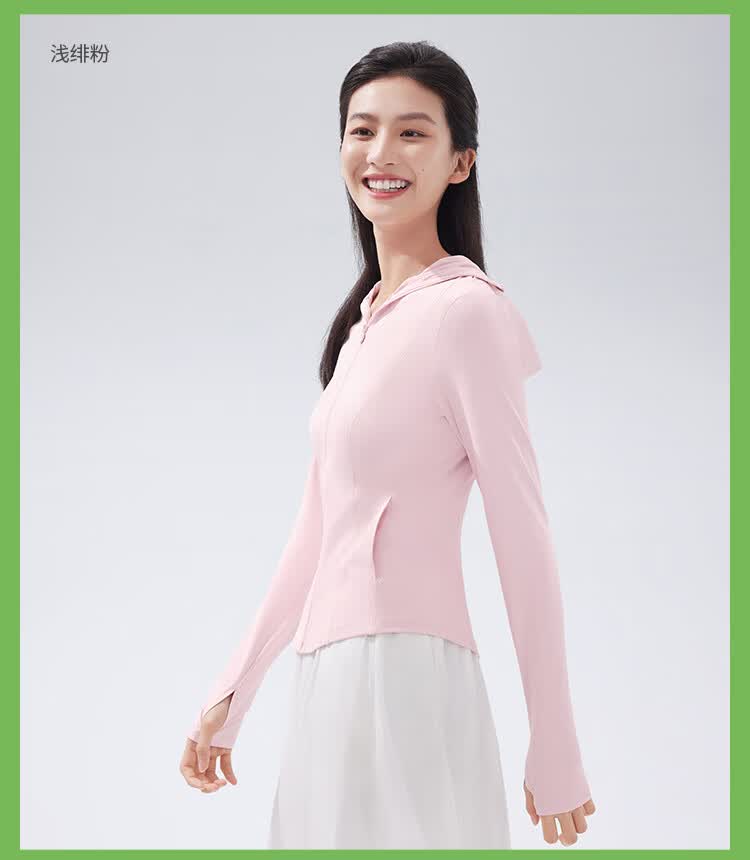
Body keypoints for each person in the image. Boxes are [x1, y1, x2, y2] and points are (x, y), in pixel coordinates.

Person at [179, 40, 596, 849]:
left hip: (405, 677)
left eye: (412, 133)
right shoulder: (363, 328)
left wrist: (556, 740)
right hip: (327, 678)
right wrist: (235, 689)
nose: (380, 153)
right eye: (362, 129)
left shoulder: (467, 314)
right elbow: (317, 533)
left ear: (460, 161)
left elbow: (522, 534)